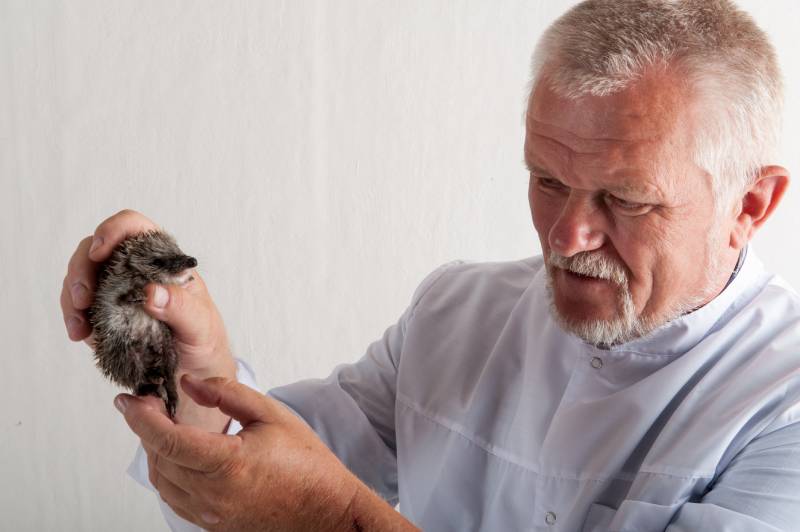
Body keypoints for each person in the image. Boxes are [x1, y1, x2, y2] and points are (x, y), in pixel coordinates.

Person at [60, 0, 800, 530]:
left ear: (751, 204)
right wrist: (183, 344)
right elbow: (250, 475)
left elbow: (302, 501)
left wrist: (331, 521)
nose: (568, 235)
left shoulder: (785, 408)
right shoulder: (456, 313)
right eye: (546, 180)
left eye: (626, 200)